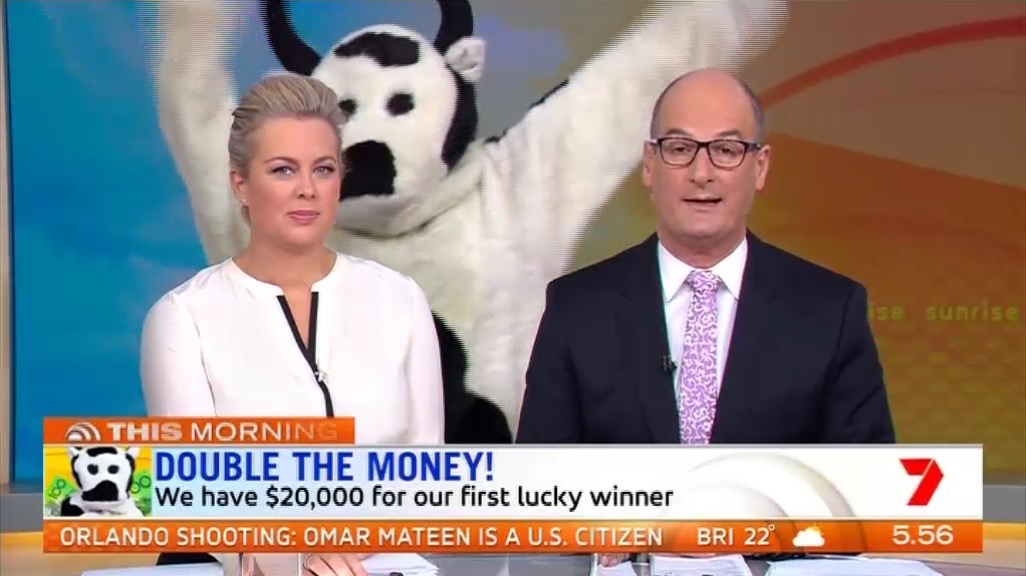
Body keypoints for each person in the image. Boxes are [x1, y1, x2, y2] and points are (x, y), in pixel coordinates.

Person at [514, 68, 895, 566]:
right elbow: (533, 493)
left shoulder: (829, 309)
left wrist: (746, 530)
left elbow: (868, 498)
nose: (701, 172)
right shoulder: (578, 307)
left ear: (760, 167)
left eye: (726, 150)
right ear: (649, 164)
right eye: (679, 148)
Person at [140, 73, 445, 576]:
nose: (307, 189)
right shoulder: (182, 317)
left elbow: (427, 476)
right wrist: (294, 559)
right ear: (241, 184)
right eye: (283, 170)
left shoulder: (400, 300)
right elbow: (191, 492)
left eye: (323, 169)